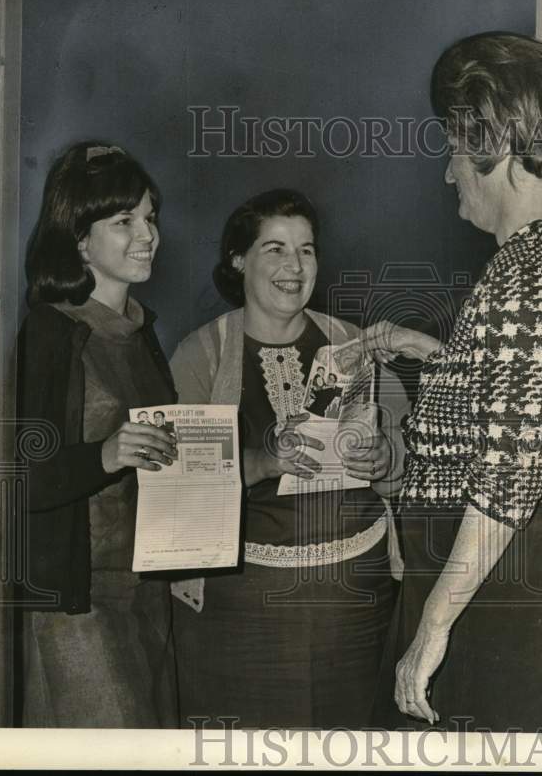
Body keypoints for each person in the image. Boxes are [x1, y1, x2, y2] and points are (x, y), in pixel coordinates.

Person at [363, 32, 542, 732]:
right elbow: (532, 397)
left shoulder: (527, 276)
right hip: (534, 570)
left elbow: (509, 474)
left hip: (505, 582)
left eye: (455, 147)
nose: (450, 173)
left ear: (498, 146)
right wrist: (442, 354)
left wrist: (431, 629)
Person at [169, 188, 409, 728]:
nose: (294, 266)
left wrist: (384, 459)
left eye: (306, 250)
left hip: (357, 603)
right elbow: (176, 491)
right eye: (274, 249)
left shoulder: (354, 343)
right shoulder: (199, 353)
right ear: (238, 259)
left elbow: (407, 465)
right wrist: (261, 462)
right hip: (244, 609)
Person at [16, 141, 180, 728]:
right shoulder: (51, 332)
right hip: (78, 606)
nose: (149, 234)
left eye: (150, 216)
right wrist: (106, 455)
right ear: (80, 240)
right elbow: (18, 481)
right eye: (125, 220)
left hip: (147, 594)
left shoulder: (140, 331)